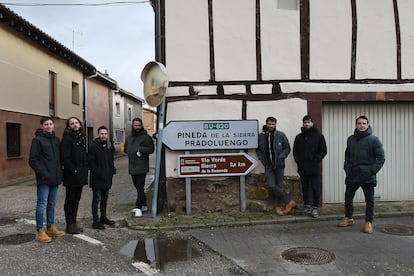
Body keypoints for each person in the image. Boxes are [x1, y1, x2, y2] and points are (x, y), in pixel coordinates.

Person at [338, 115, 385, 233]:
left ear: (368, 125)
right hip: (352, 174)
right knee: (348, 198)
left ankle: (369, 222)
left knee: (369, 200)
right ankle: (348, 218)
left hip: (367, 176)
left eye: (364, 123)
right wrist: (347, 168)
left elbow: (381, 158)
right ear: (356, 125)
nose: (362, 125)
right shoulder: (350, 139)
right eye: (359, 123)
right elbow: (347, 156)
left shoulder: (374, 140)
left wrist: (372, 171)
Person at [29, 117, 65, 243]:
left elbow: (59, 159)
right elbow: (33, 160)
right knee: (42, 204)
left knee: (52, 204)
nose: (49, 126)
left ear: (53, 126)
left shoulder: (56, 140)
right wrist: (43, 174)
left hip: (55, 178)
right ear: (42, 126)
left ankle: (50, 226)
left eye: (50, 124)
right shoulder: (37, 140)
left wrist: (59, 174)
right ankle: (40, 230)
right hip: (44, 179)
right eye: (46, 124)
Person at [256, 116, 296, 216]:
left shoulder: (281, 135)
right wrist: (262, 159)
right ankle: (289, 201)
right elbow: (258, 150)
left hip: (279, 165)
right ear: (266, 124)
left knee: (279, 186)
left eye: (273, 124)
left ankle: (278, 207)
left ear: (275, 125)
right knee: (271, 185)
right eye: (269, 124)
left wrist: (281, 157)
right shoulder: (261, 136)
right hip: (268, 166)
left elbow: (287, 148)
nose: (271, 126)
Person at [293, 115, 327, 218]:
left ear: (312, 123)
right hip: (302, 168)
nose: (306, 124)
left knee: (316, 188)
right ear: (303, 124)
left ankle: (315, 208)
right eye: (305, 122)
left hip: (314, 168)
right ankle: (306, 206)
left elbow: (323, 151)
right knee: (305, 188)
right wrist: (298, 161)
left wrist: (316, 160)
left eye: (308, 122)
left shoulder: (319, 136)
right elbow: (295, 151)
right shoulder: (298, 137)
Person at [61, 116, 88, 234]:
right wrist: (75, 171)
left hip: (80, 175)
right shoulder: (67, 139)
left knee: (77, 199)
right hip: (71, 176)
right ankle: (69, 224)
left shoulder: (81, 138)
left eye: (76, 122)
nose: (75, 125)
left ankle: (74, 223)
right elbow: (65, 158)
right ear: (68, 126)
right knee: (70, 200)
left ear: (80, 124)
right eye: (72, 123)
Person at [124, 117, 155, 217]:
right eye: (135, 125)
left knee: (140, 187)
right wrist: (127, 150)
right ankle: (144, 204)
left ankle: (138, 208)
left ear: (141, 126)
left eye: (138, 125)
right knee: (138, 187)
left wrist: (141, 149)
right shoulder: (130, 137)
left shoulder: (146, 137)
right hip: (132, 165)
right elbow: (126, 147)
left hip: (141, 166)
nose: (137, 127)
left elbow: (151, 149)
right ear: (132, 126)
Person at [88, 126, 116, 230]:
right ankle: (95, 221)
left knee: (105, 200)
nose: (103, 135)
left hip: (107, 178)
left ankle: (103, 218)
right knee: (96, 200)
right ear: (98, 135)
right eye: (101, 134)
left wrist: (112, 171)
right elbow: (91, 162)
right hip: (97, 178)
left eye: (105, 134)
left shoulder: (109, 147)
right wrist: (99, 172)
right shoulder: (94, 146)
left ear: (107, 135)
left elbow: (111, 161)